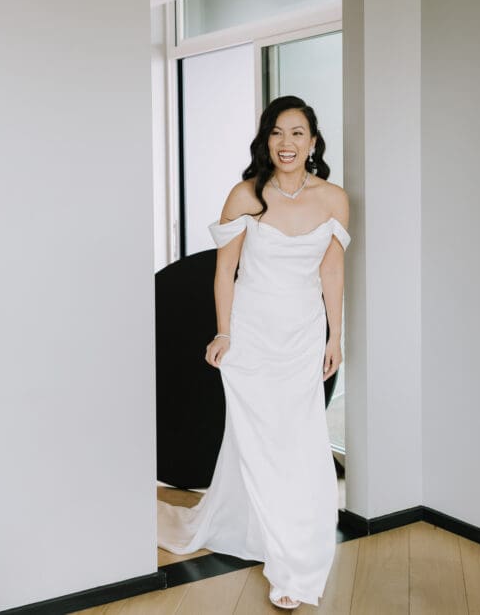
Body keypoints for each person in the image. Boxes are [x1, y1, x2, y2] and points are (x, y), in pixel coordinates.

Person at [156, 95, 349, 610]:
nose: (287, 143)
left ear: (313, 142)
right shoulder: (245, 194)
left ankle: (296, 553)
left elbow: (332, 271)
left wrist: (335, 337)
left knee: (301, 443)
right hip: (252, 335)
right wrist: (223, 333)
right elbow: (225, 271)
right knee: (257, 443)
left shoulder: (333, 199)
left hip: (303, 335)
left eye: (297, 133)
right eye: (277, 132)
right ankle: (274, 549)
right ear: (266, 140)